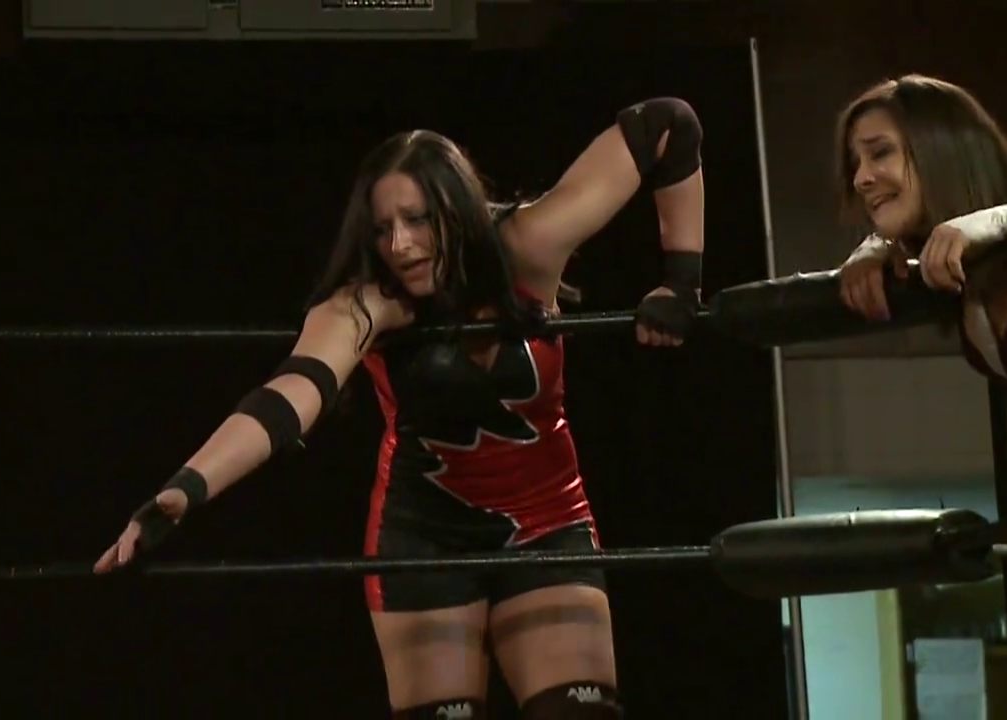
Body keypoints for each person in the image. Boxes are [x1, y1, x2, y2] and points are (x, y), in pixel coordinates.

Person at [93, 97, 707, 718]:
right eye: (383, 229)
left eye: (417, 220)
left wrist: (682, 281)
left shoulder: (529, 244)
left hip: (547, 520)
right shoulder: (367, 304)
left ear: (457, 210)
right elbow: (291, 395)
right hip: (423, 537)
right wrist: (188, 487)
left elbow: (666, 125)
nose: (402, 245)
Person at [833, 74, 1007, 455]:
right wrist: (877, 243)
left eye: (880, 152)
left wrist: (1002, 221)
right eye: (855, 163)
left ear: (939, 151)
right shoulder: (950, 260)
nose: (861, 178)